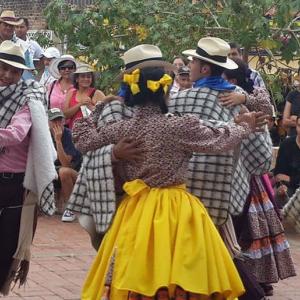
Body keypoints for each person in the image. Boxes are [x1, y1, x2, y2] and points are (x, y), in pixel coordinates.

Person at [72, 45, 268, 300]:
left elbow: (82, 138)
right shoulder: (177, 125)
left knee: (134, 272)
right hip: (178, 210)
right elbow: (221, 139)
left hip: (135, 210)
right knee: (183, 273)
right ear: (165, 90)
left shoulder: (123, 128)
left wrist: (99, 107)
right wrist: (244, 127)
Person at [222, 58, 296, 296]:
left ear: (233, 79)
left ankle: (250, 284)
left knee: (244, 234)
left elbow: (266, 107)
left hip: (246, 173)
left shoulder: (244, 96)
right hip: (238, 172)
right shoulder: (220, 96)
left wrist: (244, 98)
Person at [0, 40, 56, 296]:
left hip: (14, 185)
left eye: (14, 70)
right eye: (3, 68)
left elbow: (16, 133)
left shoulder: (30, 95)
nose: (8, 75)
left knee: (6, 248)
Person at [48, 108, 82, 222]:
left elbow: (66, 164)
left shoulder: (69, 135)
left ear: (64, 121)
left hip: (77, 176)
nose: (57, 124)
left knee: (64, 171)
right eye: (54, 121)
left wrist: (58, 141)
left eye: (59, 120)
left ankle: (70, 208)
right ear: (48, 123)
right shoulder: (45, 136)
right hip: (52, 171)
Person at [63, 64, 106, 129]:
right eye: (82, 76)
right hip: (73, 133)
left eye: (88, 77)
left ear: (92, 79)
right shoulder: (71, 93)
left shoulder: (97, 93)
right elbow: (65, 115)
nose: (86, 79)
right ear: (77, 79)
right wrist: (80, 104)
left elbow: (105, 114)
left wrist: (90, 107)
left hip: (92, 133)